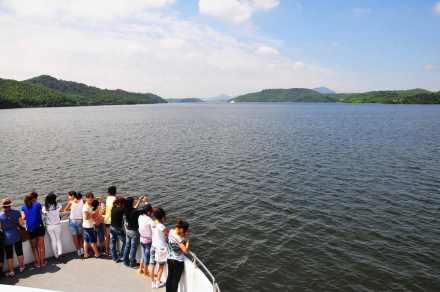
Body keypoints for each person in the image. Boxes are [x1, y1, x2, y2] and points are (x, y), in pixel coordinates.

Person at [0, 198, 25, 276]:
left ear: (3, 206)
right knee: (19, 251)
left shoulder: (0, 215)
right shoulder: (16, 213)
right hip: (16, 234)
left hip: (6, 237)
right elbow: (21, 223)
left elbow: (0, 227)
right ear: (10, 205)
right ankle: (21, 267)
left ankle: (11, 271)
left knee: (9, 255)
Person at [21, 192, 46, 268]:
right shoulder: (38, 205)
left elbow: (23, 217)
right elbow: (41, 213)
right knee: (41, 246)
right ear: (33, 198)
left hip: (31, 229)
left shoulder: (23, 207)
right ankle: (42, 262)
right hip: (40, 227)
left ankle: (37, 263)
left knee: (34, 247)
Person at [166, 219, 190, 292]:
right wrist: (188, 242)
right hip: (178, 262)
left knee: (169, 278)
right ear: (182, 230)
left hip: (170, 259)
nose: (186, 232)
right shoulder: (179, 238)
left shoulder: (171, 231)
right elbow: (185, 251)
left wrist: (183, 236)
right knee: (175, 281)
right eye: (185, 231)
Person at [122, 196, 146, 267]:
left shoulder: (125, 209)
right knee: (133, 247)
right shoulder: (135, 212)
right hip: (134, 232)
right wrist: (145, 202)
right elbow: (145, 210)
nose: (134, 201)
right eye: (133, 201)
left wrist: (139, 200)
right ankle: (132, 262)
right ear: (131, 203)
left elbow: (135, 208)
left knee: (127, 246)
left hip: (128, 230)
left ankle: (125, 261)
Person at [149, 208, 169, 289]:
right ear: (162, 216)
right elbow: (168, 234)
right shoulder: (161, 226)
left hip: (153, 246)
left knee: (152, 264)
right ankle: (157, 283)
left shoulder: (153, 223)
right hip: (160, 248)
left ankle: (152, 282)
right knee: (161, 266)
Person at [42, 192, 63, 259]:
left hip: (49, 226)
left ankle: (56, 255)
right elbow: (60, 208)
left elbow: (43, 213)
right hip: (57, 224)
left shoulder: (45, 207)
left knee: (53, 240)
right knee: (58, 239)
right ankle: (60, 253)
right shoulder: (58, 205)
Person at [64, 191, 84, 256]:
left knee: (75, 237)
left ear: (73, 196)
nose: (68, 197)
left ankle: (78, 251)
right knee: (80, 236)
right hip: (80, 221)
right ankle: (82, 250)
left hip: (72, 221)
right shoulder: (81, 201)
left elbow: (65, 210)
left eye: (69, 196)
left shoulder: (71, 202)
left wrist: (70, 208)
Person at [82, 192, 100, 258]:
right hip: (89, 226)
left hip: (86, 226)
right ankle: (97, 254)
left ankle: (86, 254)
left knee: (86, 240)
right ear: (86, 199)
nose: (91, 200)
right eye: (89, 199)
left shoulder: (89, 205)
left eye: (92, 199)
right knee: (93, 241)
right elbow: (86, 217)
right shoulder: (85, 207)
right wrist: (93, 213)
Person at [138, 202, 153, 277]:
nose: (152, 213)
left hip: (141, 239)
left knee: (143, 255)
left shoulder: (140, 217)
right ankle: (146, 272)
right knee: (147, 257)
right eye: (151, 212)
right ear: (148, 212)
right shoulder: (150, 220)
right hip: (148, 241)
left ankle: (140, 269)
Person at [110, 196, 126, 262]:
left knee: (113, 243)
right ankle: (121, 255)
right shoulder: (121, 209)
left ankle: (114, 257)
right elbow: (132, 209)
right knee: (125, 241)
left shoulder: (113, 208)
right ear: (121, 203)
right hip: (118, 228)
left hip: (111, 227)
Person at [103, 186, 117, 256]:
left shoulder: (107, 198)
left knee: (107, 236)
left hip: (106, 219)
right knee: (113, 237)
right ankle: (113, 251)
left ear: (108, 192)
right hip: (112, 220)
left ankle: (107, 251)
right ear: (115, 192)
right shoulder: (115, 199)